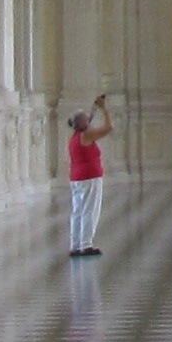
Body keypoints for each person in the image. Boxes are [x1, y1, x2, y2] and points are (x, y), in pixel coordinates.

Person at [65, 101, 112, 256]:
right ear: (81, 123)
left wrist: (93, 111)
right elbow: (108, 128)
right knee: (90, 211)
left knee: (78, 211)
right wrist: (105, 109)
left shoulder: (75, 137)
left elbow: (89, 124)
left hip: (76, 178)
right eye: (86, 119)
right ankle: (86, 244)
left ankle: (75, 244)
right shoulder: (86, 135)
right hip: (90, 177)